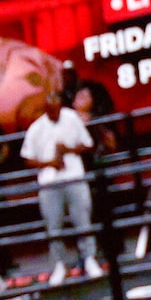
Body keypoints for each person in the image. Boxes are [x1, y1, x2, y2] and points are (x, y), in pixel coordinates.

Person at [21, 88, 99, 283]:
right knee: (53, 225)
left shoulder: (71, 118)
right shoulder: (36, 128)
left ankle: (89, 258)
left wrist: (69, 149)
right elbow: (27, 158)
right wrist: (49, 163)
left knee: (83, 220)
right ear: (46, 109)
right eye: (51, 110)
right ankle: (59, 265)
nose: (55, 113)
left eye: (57, 109)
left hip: (74, 176)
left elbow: (88, 144)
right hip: (49, 182)